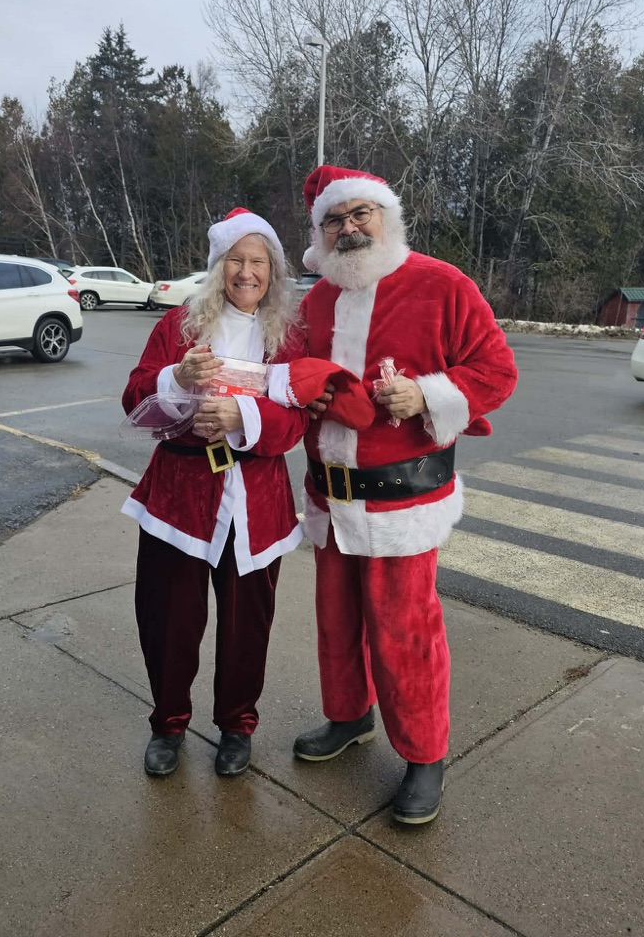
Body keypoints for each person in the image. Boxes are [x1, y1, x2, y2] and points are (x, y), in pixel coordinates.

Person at [293, 165, 518, 825]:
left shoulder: (441, 284)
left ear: (385, 217)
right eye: (335, 219)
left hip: (403, 504)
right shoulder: (316, 302)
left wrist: (426, 394)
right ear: (321, 234)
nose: (349, 227)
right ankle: (348, 716)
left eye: (360, 213)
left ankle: (425, 756)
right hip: (330, 500)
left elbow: (498, 371)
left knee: (405, 633)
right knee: (337, 623)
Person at [121, 208, 307, 779]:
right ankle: (169, 723)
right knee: (168, 616)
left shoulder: (288, 338)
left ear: (272, 273)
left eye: (258, 263)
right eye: (236, 260)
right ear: (217, 266)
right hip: (179, 494)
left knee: (247, 622)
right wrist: (176, 378)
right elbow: (133, 400)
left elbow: (296, 422)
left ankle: (236, 725)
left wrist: (241, 415)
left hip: (254, 498)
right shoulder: (179, 327)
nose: (246, 272)